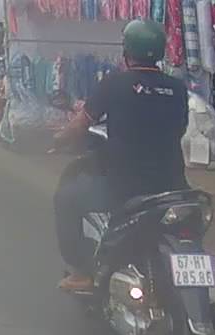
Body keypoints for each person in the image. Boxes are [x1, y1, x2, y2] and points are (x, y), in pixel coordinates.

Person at [51, 18, 188, 292]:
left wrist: (58, 139)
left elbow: (80, 125)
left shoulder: (114, 83)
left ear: (127, 51)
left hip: (124, 186)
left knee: (65, 198)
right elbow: (180, 128)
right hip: (173, 185)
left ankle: (80, 272)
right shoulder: (177, 88)